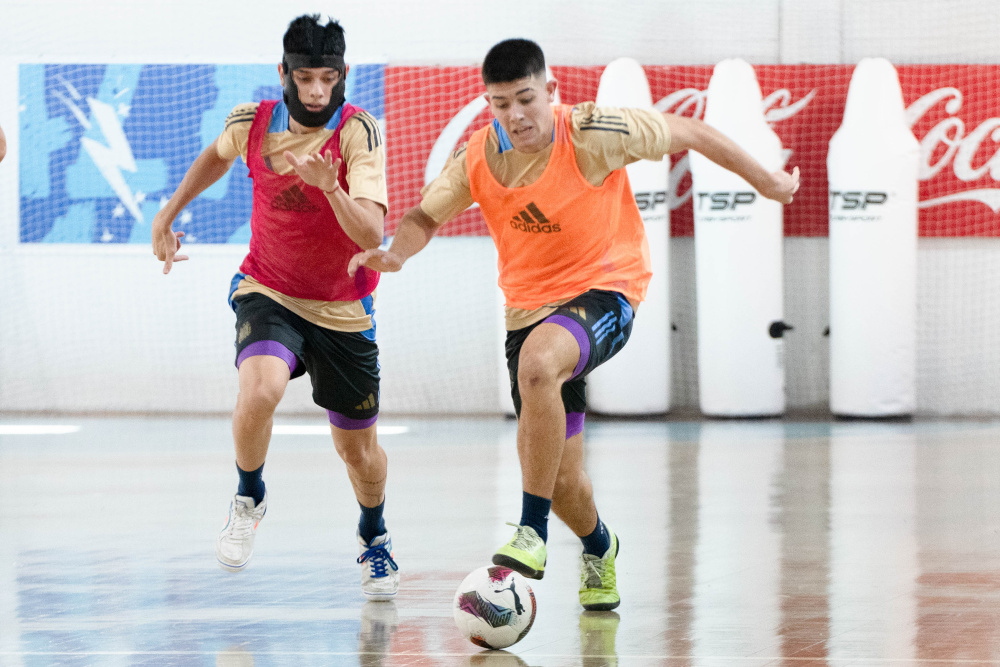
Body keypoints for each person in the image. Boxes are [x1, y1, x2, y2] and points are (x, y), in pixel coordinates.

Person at [350, 38, 798, 611]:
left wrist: (767, 181)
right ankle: (600, 546)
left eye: (525, 99)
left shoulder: (592, 133)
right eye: (500, 103)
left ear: (552, 92)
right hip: (527, 314)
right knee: (564, 481)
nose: (514, 115)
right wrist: (396, 254)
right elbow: (422, 215)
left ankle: (530, 531)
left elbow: (690, 131)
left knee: (540, 364)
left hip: (606, 291)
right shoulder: (479, 155)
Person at [152, 14, 399, 598]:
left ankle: (374, 535)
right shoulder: (253, 123)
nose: (318, 91)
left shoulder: (360, 133)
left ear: (343, 76)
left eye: (329, 78)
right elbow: (216, 156)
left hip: (342, 308)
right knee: (259, 388)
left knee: (357, 451)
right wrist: (168, 214)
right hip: (269, 289)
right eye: (306, 77)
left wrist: (329, 186)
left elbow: (371, 236)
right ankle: (248, 496)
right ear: (283, 72)